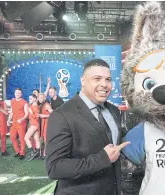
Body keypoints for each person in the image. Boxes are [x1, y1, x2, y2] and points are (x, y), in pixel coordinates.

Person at [46, 59, 130, 195]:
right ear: (83, 81)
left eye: (108, 79)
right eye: (97, 78)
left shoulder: (114, 110)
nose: (104, 84)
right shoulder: (62, 115)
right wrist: (103, 158)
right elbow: (55, 168)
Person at [7, 88, 29, 160]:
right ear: (14, 93)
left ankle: (22, 153)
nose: (17, 94)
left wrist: (22, 119)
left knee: (22, 138)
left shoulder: (24, 102)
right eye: (16, 93)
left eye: (19, 93)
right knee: (12, 137)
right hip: (14, 122)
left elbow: (26, 114)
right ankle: (18, 151)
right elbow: (12, 112)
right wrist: (8, 120)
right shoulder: (12, 101)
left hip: (21, 123)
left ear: (21, 94)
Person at [24, 94, 41, 161]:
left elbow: (37, 117)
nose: (29, 100)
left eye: (31, 98)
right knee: (36, 139)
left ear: (35, 99)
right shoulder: (31, 105)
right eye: (29, 98)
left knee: (26, 138)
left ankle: (33, 152)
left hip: (34, 124)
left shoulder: (36, 106)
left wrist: (31, 112)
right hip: (34, 124)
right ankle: (38, 154)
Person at [38, 93, 53, 159]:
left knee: (46, 139)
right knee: (43, 138)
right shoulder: (41, 104)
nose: (40, 99)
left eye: (41, 98)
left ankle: (45, 153)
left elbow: (53, 114)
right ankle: (44, 152)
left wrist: (44, 116)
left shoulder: (46, 105)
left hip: (47, 123)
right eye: (39, 97)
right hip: (42, 123)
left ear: (44, 98)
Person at [0, 91, 9, 156]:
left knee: (3, 137)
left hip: (2, 123)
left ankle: (3, 151)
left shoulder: (3, 103)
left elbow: (6, 113)